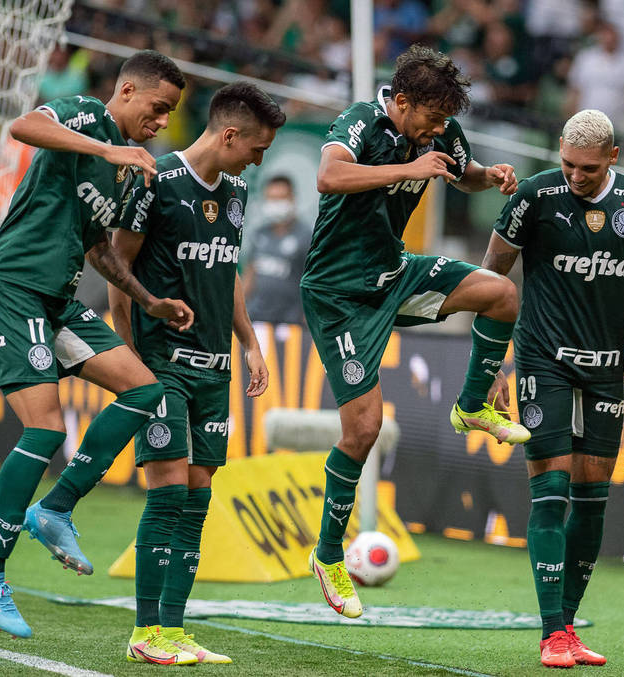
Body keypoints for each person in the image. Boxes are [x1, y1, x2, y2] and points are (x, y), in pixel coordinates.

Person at [0, 50, 194, 640]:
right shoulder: (89, 118)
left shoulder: (127, 173)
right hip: (11, 286)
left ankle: (56, 508)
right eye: (157, 107)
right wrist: (106, 148)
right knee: (45, 431)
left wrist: (148, 302)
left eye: (170, 113)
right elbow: (24, 126)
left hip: (58, 299)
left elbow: (100, 252)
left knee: (146, 389)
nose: (162, 122)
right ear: (126, 91)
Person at [299, 43, 530, 620]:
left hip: (394, 273)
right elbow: (328, 176)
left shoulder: (439, 132)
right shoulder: (359, 121)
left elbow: (464, 174)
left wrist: (489, 177)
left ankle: (473, 405)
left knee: (501, 294)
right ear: (401, 101)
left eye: (444, 122)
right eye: (429, 120)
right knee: (364, 429)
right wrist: (408, 167)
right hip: (339, 295)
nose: (437, 132)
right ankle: (329, 557)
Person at [109, 82, 285, 665]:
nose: (260, 161)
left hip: (216, 367)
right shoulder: (155, 181)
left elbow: (226, 271)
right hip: (163, 364)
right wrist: (132, 361)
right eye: (257, 149)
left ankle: (174, 628)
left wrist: (250, 343)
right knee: (167, 497)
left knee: (198, 498)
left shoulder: (235, 192)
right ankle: (144, 632)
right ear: (230, 135)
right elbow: (119, 270)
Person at [484, 109, 624, 668]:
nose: (576, 176)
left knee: (593, 498)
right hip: (541, 360)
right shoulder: (534, 195)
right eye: (569, 164)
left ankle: (569, 626)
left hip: (605, 365)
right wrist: (489, 367)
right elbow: (490, 280)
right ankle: (552, 633)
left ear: (614, 158)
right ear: (558, 150)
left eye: (590, 169)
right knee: (550, 489)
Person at [242, 175, 311, 326]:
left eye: (280, 198)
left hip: (291, 323)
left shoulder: (306, 236)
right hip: (257, 319)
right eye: (271, 199)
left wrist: (307, 319)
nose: (275, 204)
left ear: (292, 198)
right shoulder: (260, 233)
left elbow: (312, 282)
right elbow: (249, 275)